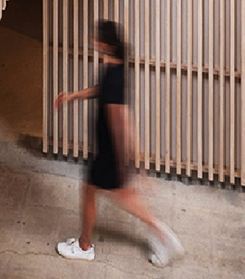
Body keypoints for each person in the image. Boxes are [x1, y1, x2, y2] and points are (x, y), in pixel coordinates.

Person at [53, 20, 183, 267]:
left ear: (105, 44)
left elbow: (120, 122)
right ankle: (163, 235)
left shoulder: (113, 76)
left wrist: (129, 164)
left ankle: (85, 246)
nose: (93, 41)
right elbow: (100, 90)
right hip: (108, 153)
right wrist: (73, 96)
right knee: (115, 196)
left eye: (96, 38)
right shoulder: (116, 66)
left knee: (99, 193)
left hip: (109, 154)